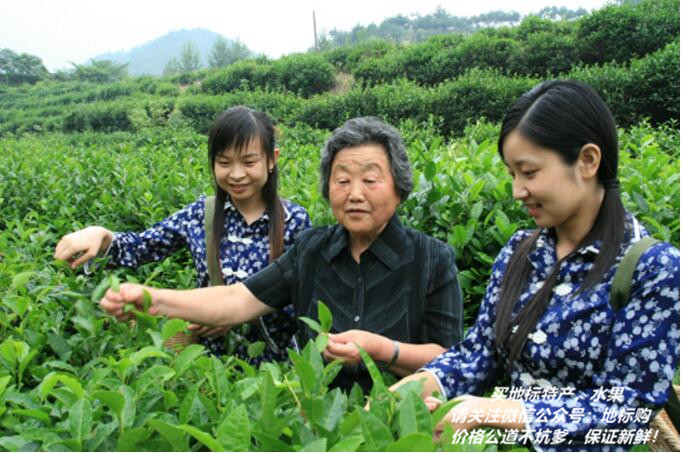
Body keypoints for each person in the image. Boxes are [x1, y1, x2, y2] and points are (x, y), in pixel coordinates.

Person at [392, 80, 680, 451]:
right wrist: (395, 401)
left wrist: (492, 412)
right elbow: (476, 357)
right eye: (512, 174)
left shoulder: (654, 269)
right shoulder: (519, 253)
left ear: (588, 160)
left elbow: (627, 411)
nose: (517, 191)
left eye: (529, 173)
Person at [99, 116, 464, 391]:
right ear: (327, 188)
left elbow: (452, 359)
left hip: (398, 425)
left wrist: (385, 350)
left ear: (399, 189)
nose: (355, 193)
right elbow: (238, 300)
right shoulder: (312, 249)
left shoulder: (432, 259)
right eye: (342, 180)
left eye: (370, 180)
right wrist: (151, 299)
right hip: (310, 420)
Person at [55, 106, 311, 363]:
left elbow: (304, 302)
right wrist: (102, 236)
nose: (236, 174)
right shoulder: (202, 214)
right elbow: (144, 246)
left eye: (248, 162)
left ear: (271, 159)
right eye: (224, 162)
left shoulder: (295, 221)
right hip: (206, 364)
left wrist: (232, 315)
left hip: (275, 371)